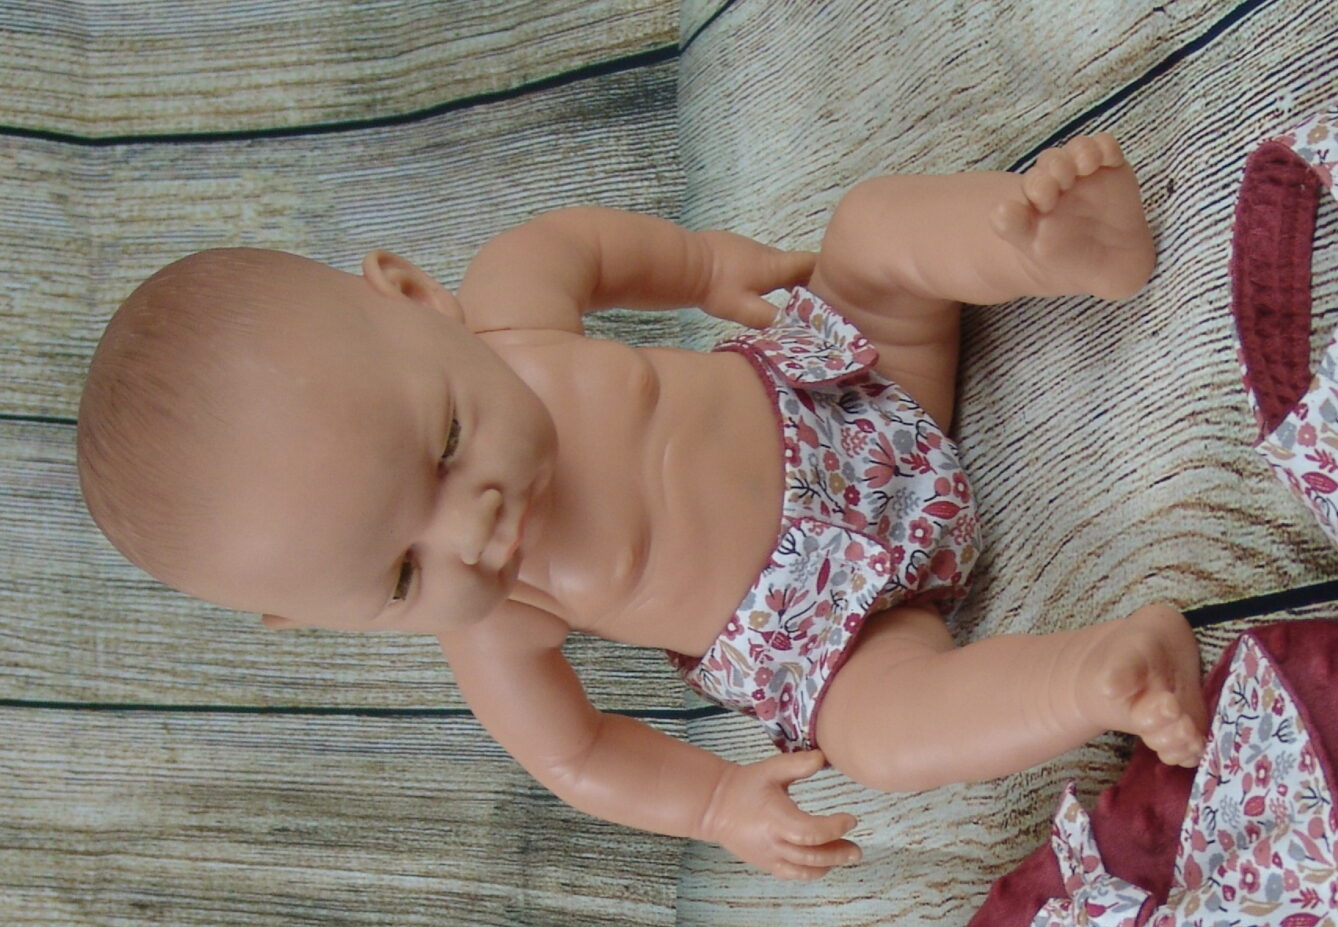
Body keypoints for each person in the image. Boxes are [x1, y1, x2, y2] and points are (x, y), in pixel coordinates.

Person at [76, 135, 1204, 878]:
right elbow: (579, 755)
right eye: (403, 576)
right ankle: (1095, 677)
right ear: (321, 623)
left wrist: (705, 268)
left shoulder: (515, 300)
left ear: (418, 299)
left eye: (448, 444)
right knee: (880, 735)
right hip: (846, 626)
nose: (472, 530)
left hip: (857, 389)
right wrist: (716, 806)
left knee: (868, 235)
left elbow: (582, 245)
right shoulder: (496, 633)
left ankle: (1043, 240)